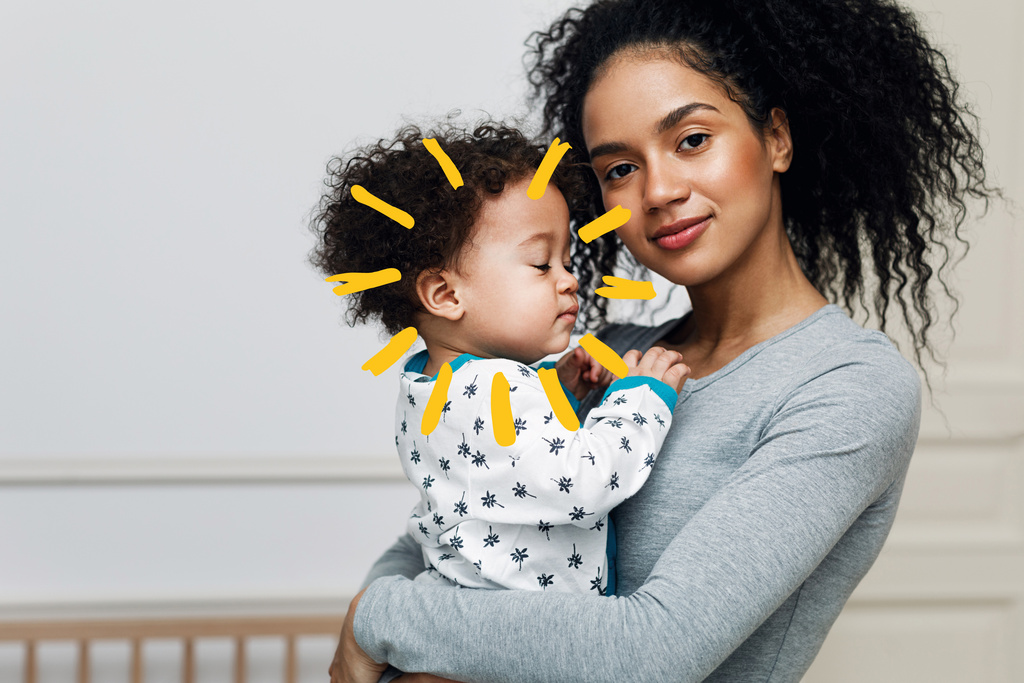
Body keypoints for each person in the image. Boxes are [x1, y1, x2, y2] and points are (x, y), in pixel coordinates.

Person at [329, 1, 999, 681]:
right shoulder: (597, 355)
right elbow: (449, 529)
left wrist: (378, 620)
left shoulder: (846, 387)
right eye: (619, 168)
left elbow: (649, 652)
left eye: (692, 140)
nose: (659, 190)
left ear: (776, 138)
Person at [310, 123, 690, 597]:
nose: (570, 280)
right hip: (526, 641)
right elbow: (581, 485)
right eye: (540, 263)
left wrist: (561, 391)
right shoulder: (499, 392)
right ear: (446, 294)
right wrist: (639, 400)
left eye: (568, 262)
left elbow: (504, 467)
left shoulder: (424, 386)